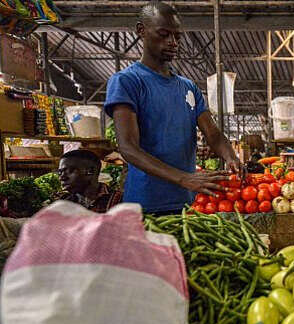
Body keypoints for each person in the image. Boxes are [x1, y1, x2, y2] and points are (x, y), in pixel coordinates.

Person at [104, 1, 240, 214]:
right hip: (146, 204)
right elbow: (128, 147)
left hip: (189, 203)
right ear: (141, 31)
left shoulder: (188, 87)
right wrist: (184, 178)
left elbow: (213, 134)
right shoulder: (127, 81)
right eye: (164, 34)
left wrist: (231, 156)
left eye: (177, 36)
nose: (173, 42)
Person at [56, 150, 122, 213]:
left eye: (69, 171)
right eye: (60, 172)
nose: (62, 178)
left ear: (90, 171)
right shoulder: (64, 201)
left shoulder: (118, 201)